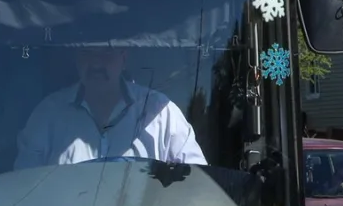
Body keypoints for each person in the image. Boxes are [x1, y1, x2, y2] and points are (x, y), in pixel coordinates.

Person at [14, 45, 206, 169]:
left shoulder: (161, 114)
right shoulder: (48, 115)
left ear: (124, 57)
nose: (96, 62)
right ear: (76, 58)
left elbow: (197, 186)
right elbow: (23, 188)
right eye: (87, 51)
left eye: (107, 50)